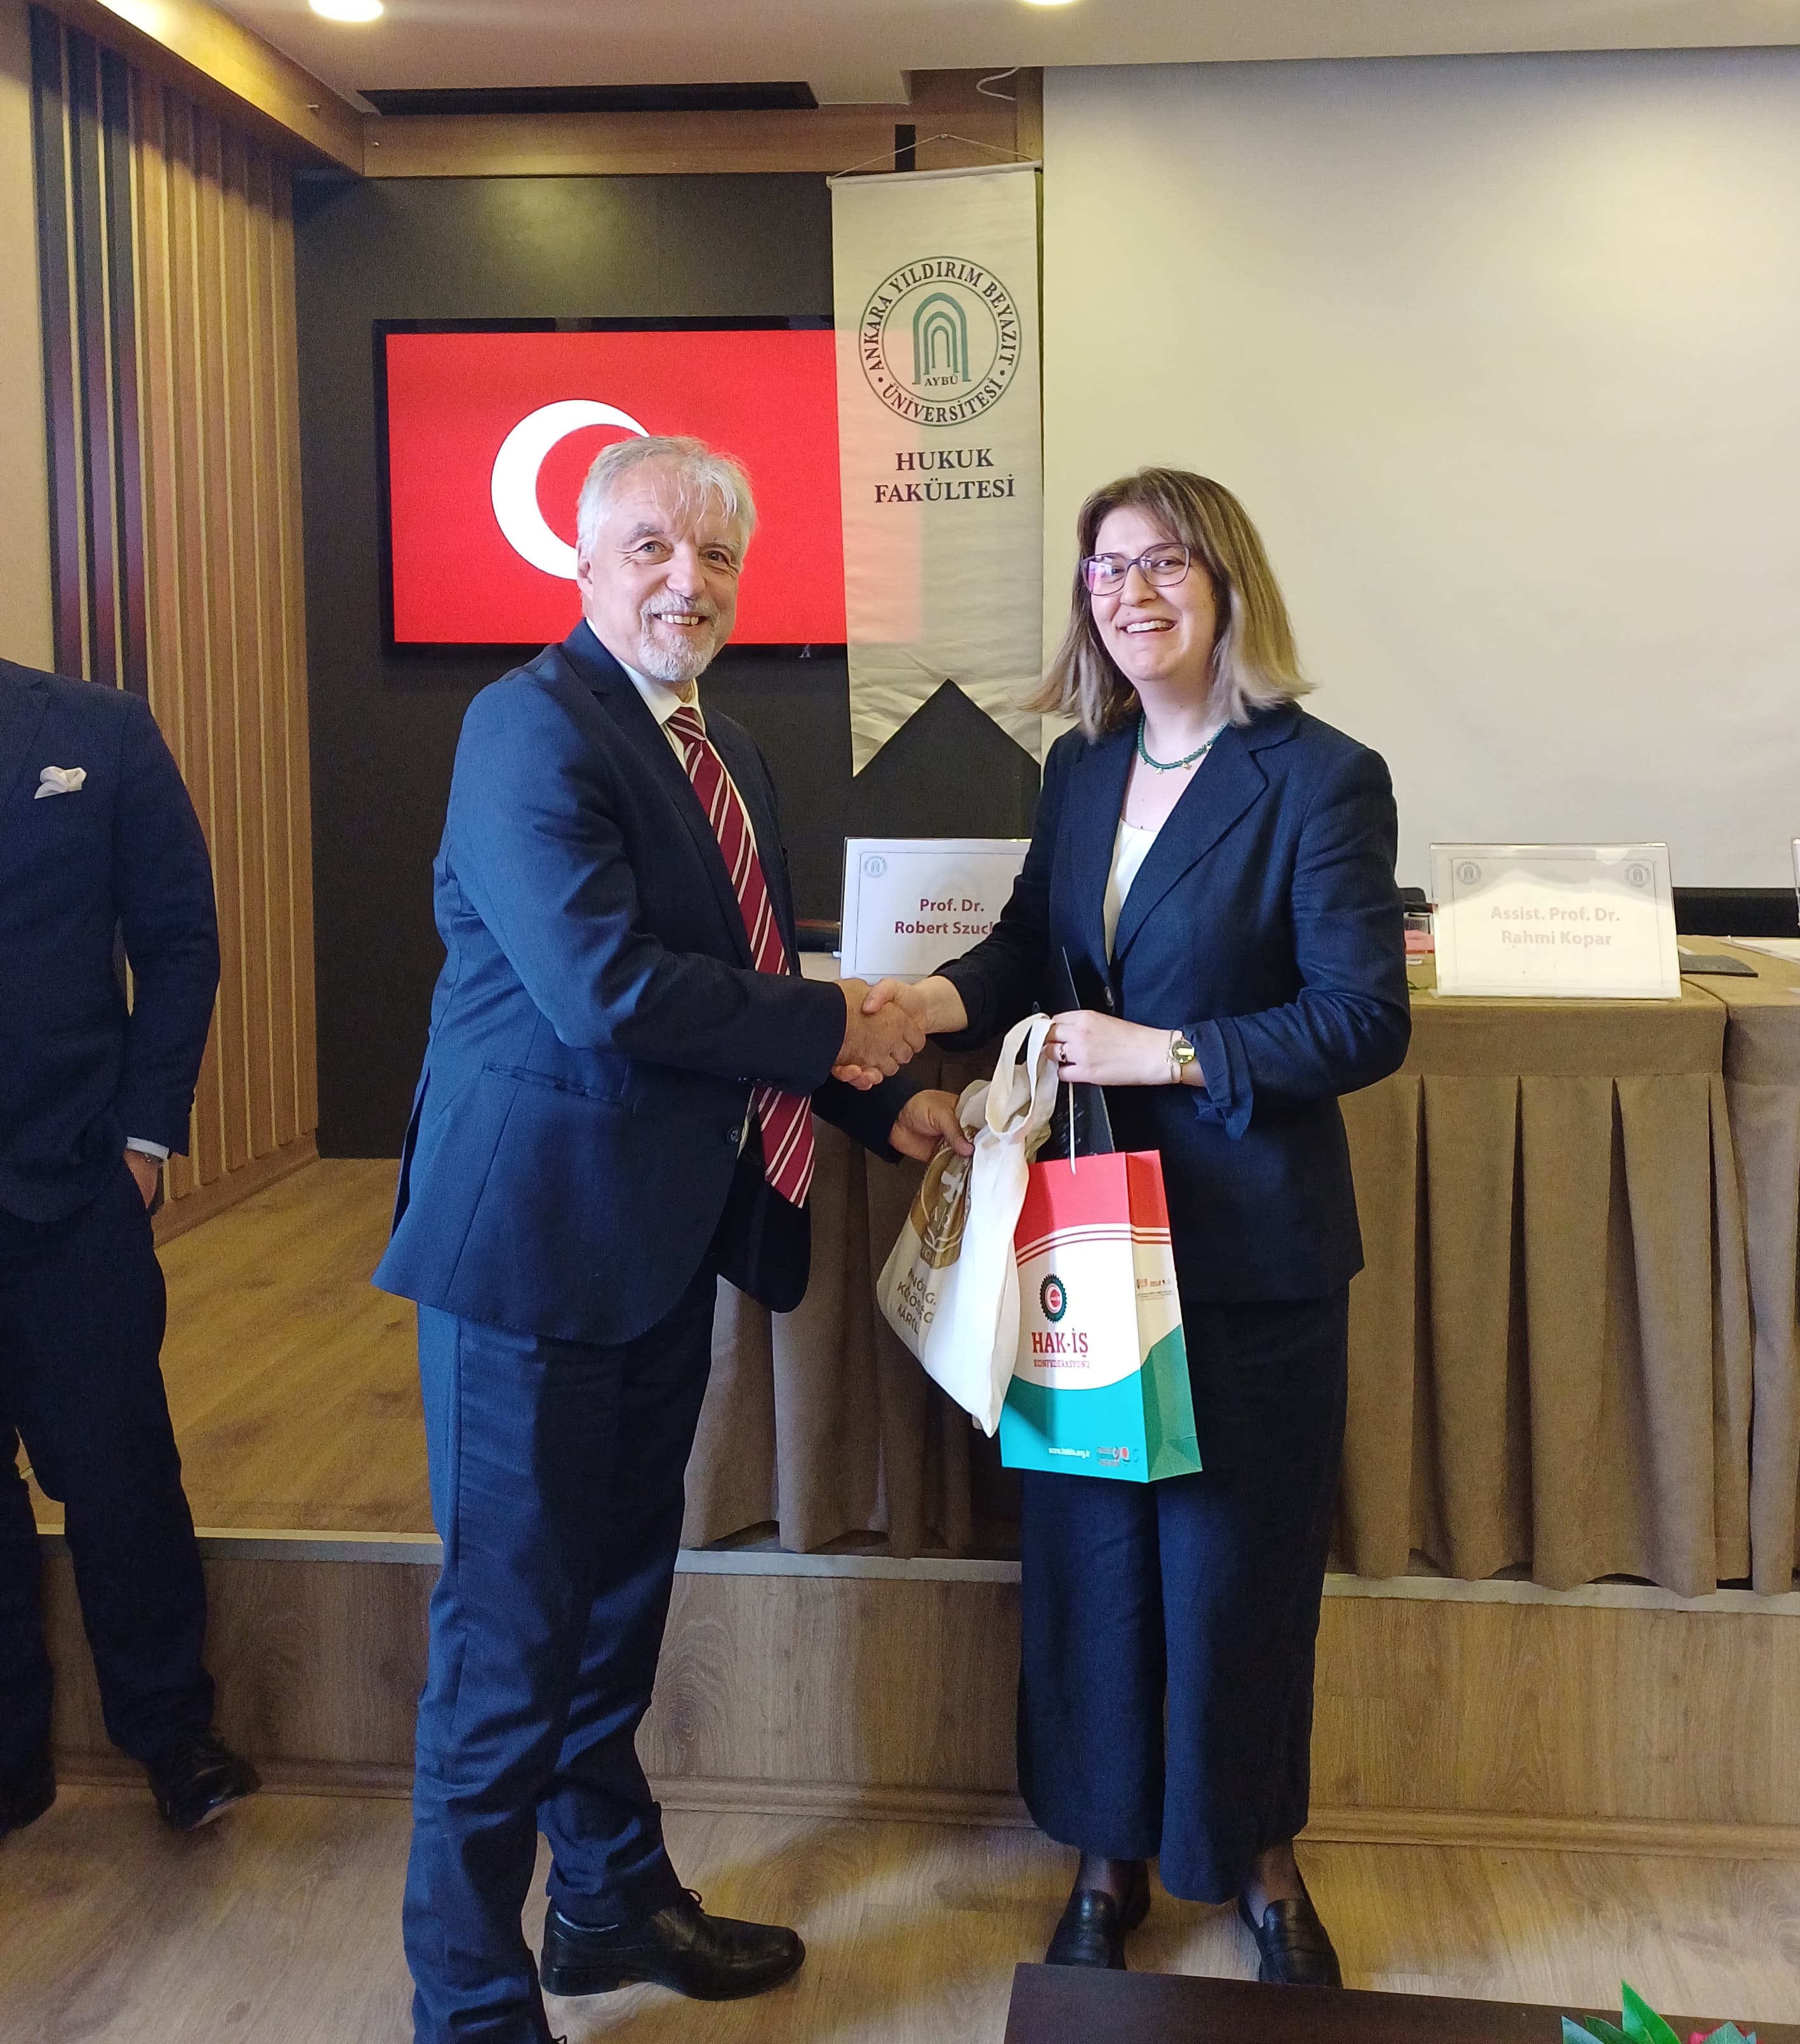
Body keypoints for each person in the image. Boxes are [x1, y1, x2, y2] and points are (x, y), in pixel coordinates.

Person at [374, 435, 967, 2044]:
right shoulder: (526, 726)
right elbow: (607, 988)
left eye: (715, 556)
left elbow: (740, 980)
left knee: (614, 1607)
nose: (686, 581)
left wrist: (881, 1109)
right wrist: (842, 1026)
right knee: (507, 1643)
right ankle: (469, 2004)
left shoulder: (727, 748)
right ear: (583, 560)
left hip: (652, 1246)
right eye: (651, 546)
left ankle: (607, 1899)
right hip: (527, 1259)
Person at [867, 467, 1410, 1985]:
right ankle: (1104, 1853)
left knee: (1238, 1569)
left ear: (1227, 583)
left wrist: (1165, 1050)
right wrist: (923, 1002)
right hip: (1088, 1236)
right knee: (1092, 1560)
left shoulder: (1321, 775)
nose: (1132, 591)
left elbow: (1363, 1018)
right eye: (1106, 569)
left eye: (1165, 562)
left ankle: (1259, 1855)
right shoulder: (1081, 767)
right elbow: (1029, 951)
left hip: (1248, 1249)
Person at [0, 654, 259, 1838]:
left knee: (120, 1471)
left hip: (73, 1181)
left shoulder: (99, 729)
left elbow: (179, 938)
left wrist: (145, 1141)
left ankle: (172, 1736)